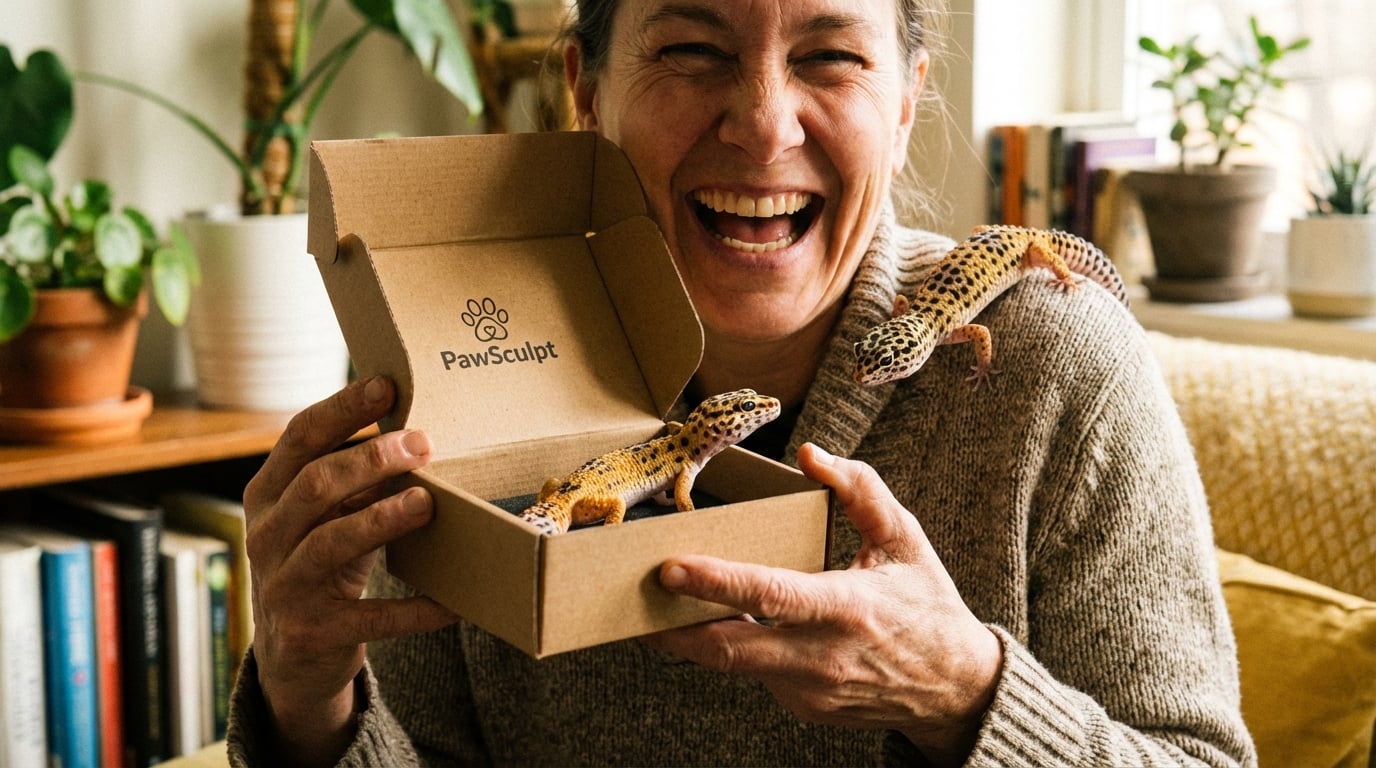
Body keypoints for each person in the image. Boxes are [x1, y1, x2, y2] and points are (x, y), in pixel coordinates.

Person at [228, 0, 1257, 765]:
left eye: (829, 56)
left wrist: (961, 692)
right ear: (585, 91)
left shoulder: (1055, 368)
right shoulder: (470, 377)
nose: (763, 126)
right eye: (690, 50)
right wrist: (308, 705)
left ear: (904, 104)